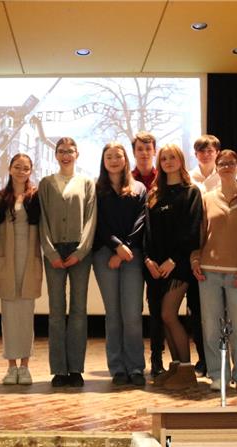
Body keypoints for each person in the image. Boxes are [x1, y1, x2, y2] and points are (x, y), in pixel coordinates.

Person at [192, 150, 237, 392]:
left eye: (231, 163)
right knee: (211, 327)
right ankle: (218, 374)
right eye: (222, 163)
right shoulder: (207, 198)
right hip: (208, 271)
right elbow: (199, 232)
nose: (226, 167)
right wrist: (195, 259)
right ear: (216, 168)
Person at [39, 137, 97, 388]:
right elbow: (41, 219)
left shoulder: (86, 182)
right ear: (56, 154)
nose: (65, 155)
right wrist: (51, 253)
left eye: (70, 151)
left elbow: (91, 219)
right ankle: (59, 370)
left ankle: (75, 368)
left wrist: (81, 251)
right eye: (61, 151)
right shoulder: (46, 183)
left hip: (79, 251)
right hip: (53, 250)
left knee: (78, 310)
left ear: (77, 154)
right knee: (55, 312)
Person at [144, 144, 202, 389]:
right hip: (156, 267)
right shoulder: (155, 193)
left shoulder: (191, 192)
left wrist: (173, 260)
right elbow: (146, 231)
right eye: (164, 158)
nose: (168, 161)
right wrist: (148, 260)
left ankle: (187, 371)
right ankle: (176, 367)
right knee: (163, 318)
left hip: (178, 266)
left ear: (180, 160)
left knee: (169, 314)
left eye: (172, 157)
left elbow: (192, 232)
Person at [93, 142, 147, 387]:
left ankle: (135, 367)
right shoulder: (96, 189)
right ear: (103, 161)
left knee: (132, 315)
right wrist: (116, 246)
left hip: (132, 255)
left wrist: (125, 247)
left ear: (126, 159)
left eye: (118, 156)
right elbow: (98, 223)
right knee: (113, 315)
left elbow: (141, 221)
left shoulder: (138, 187)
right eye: (108, 156)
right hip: (105, 255)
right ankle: (117, 368)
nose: (114, 160)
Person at [0, 153, 43, 386]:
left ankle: (25, 366)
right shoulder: (1, 198)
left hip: (29, 259)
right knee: (9, 315)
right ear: (10, 169)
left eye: (26, 168)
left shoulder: (36, 197)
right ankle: (11, 366)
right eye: (17, 167)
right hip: (7, 260)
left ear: (30, 171)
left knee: (26, 314)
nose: (21, 171)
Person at [131, 132, 165, 378]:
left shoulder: (162, 179)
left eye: (148, 149)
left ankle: (157, 358)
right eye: (140, 149)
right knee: (132, 309)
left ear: (154, 151)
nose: (144, 153)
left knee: (157, 309)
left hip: (156, 255)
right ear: (134, 152)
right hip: (133, 254)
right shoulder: (127, 179)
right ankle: (132, 361)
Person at [186, 134, 221, 376]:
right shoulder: (188, 177)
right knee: (197, 309)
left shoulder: (227, 175)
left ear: (217, 153)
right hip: (195, 248)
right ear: (196, 154)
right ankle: (203, 359)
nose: (206, 154)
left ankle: (222, 360)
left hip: (220, 249)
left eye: (210, 150)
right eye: (201, 151)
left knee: (223, 312)